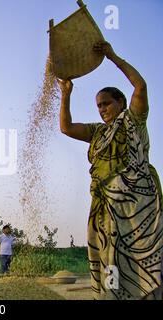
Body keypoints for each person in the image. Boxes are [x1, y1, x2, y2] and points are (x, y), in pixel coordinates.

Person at [58, 41, 163, 300]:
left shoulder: (133, 120)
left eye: (106, 103)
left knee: (142, 258)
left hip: (135, 207)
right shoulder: (98, 132)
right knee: (109, 260)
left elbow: (141, 86)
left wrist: (112, 56)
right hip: (105, 208)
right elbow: (67, 127)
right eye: (98, 106)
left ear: (120, 102)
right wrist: (66, 94)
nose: (102, 109)